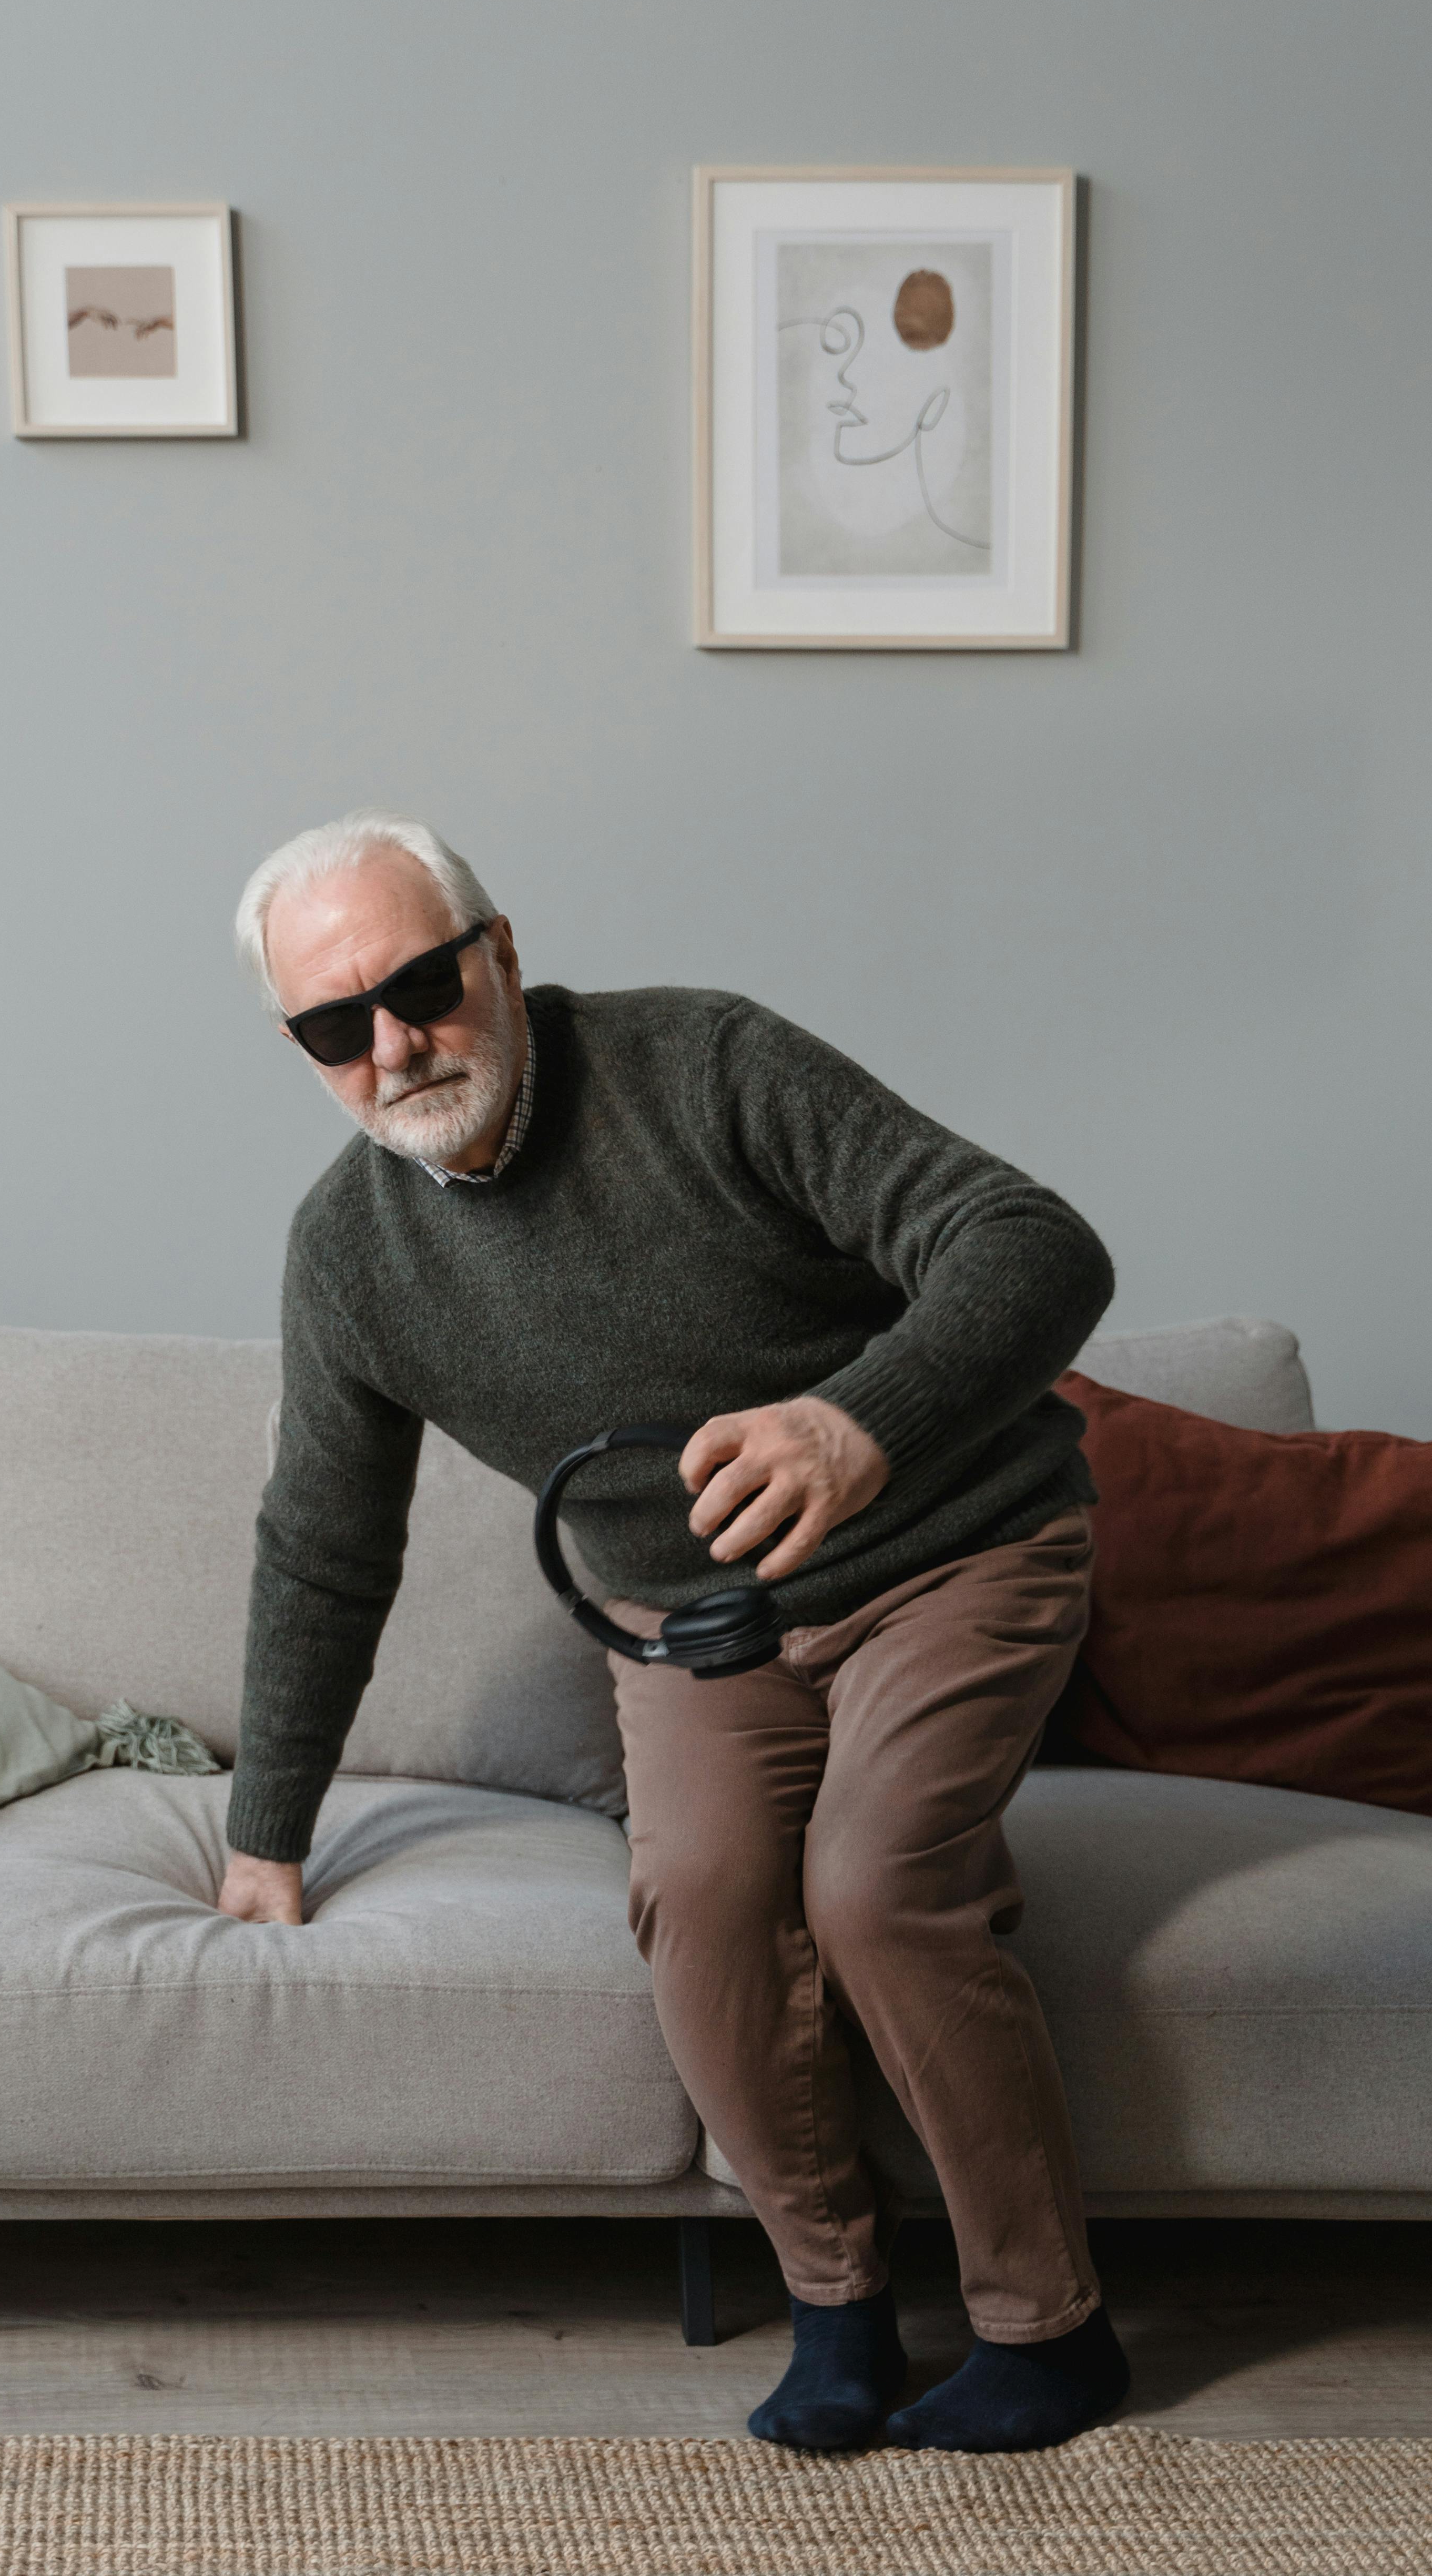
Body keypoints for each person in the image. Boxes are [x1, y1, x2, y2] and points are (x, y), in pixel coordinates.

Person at [219, 808, 1131, 2456]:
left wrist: (860, 1424)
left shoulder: (704, 1062)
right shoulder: (348, 1255)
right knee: (701, 1903)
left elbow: (1036, 1242)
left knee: (871, 1885)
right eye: (333, 1026)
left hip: (955, 1548)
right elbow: (326, 1543)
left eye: (419, 984)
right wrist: (264, 1831)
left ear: (498, 953)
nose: (394, 1046)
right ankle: (838, 2302)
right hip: (697, 1623)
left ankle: (1048, 2330)